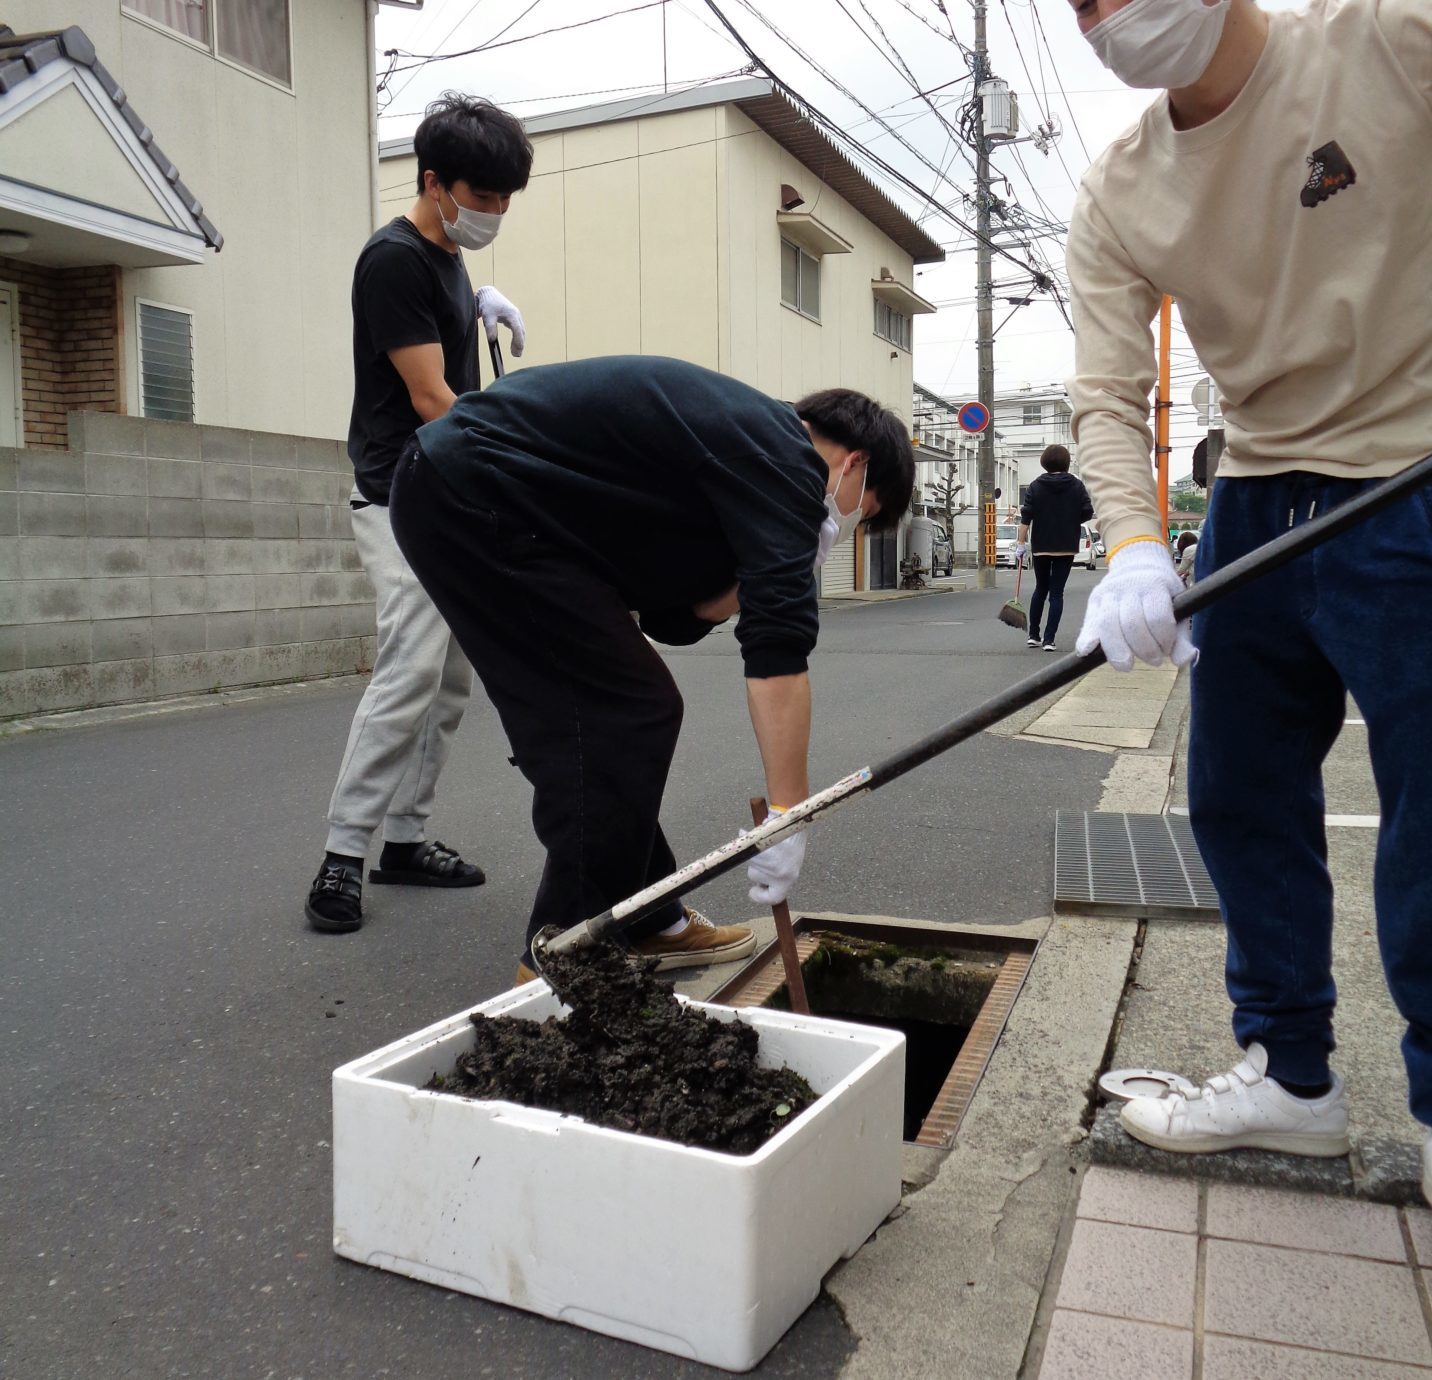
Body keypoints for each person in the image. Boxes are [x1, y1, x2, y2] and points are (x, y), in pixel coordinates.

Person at [1024, 0, 1432, 1198]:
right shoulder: (1124, 188)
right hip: (1257, 503)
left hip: (1415, 480)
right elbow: (1103, 396)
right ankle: (1291, 1081)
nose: (1108, 17)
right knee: (1240, 796)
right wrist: (1133, 548)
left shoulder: (1383, 40)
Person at [385, 356, 916, 981]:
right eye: (868, 508)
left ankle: (645, 915)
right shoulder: (785, 459)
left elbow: (678, 617)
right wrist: (789, 811)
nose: (852, 523)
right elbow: (777, 650)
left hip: (467, 491)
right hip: (480, 491)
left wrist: (765, 568)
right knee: (623, 715)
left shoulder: (746, 445)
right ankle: (564, 963)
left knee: (611, 715)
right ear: (855, 462)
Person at [305, 94, 532, 934]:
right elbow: (434, 397)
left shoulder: (446, 255)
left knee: (449, 677)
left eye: (506, 199)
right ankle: (342, 854)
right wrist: (518, 457)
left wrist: (475, 305)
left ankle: (404, 838)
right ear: (435, 182)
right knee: (410, 664)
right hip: (397, 491)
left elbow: (445, 354)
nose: (494, 212)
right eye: (483, 197)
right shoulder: (394, 260)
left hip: (446, 490)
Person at [1014, 444, 1094, 651]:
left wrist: (1021, 544)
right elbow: (1087, 512)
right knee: (1057, 593)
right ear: (1066, 463)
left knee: (1041, 589)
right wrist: (1070, 518)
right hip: (1066, 545)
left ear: (1044, 462)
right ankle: (1049, 640)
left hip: (1041, 545)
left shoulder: (1035, 485)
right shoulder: (1076, 486)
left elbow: (1026, 518)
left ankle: (1034, 635)